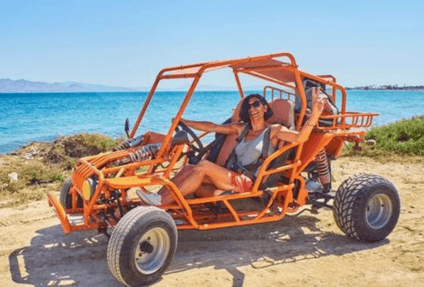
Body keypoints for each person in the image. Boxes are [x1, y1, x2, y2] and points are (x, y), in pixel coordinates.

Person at [136, 88, 326, 206]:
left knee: (203, 167)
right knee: (188, 168)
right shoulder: (243, 128)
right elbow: (213, 127)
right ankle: (155, 200)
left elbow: (301, 138)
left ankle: (161, 202)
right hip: (228, 177)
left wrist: (315, 115)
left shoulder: (274, 130)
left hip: (247, 181)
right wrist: (185, 121)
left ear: (265, 108)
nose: (252, 108)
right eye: (249, 106)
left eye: (257, 104)